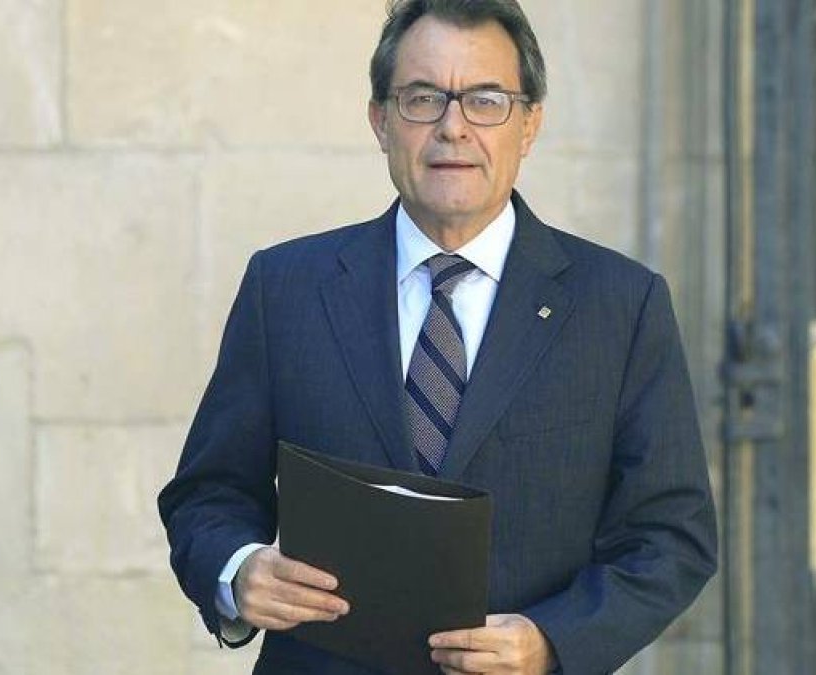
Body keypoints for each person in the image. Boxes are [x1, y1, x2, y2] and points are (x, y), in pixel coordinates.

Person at [157, 1, 717, 673]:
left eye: (485, 100)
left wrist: (550, 641)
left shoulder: (620, 305)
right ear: (380, 120)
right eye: (423, 98)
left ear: (529, 122)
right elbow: (207, 495)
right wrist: (238, 571)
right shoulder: (286, 288)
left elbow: (671, 539)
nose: (453, 128)